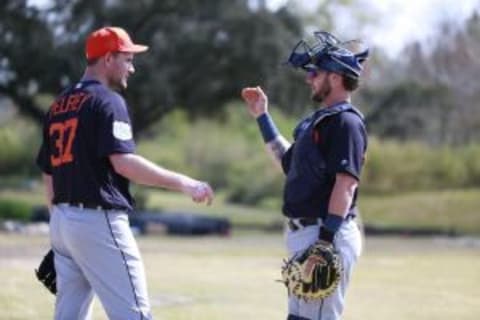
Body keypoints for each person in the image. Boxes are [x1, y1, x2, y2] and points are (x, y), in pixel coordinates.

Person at [36, 26, 214, 320]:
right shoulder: (106, 100)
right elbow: (124, 163)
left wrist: (59, 218)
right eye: (127, 58)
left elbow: (48, 170)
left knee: (69, 316)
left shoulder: (58, 105)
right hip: (97, 220)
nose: (132, 67)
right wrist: (184, 183)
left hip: (62, 221)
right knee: (135, 315)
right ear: (108, 59)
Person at [241, 31, 369, 320]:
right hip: (307, 235)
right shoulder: (320, 122)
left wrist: (324, 243)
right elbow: (289, 163)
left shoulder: (345, 123)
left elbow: (345, 185)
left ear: (335, 78)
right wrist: (262, 117)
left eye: (315, 72)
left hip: (326, 233)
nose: (309, 78)